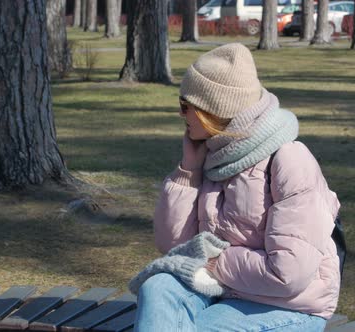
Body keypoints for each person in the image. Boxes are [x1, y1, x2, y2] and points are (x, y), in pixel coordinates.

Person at [133, 43, 341, 332]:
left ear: (213, 110)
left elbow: (288, 274)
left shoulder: (289, 160)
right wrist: (187, 172)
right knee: (158, 287)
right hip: (222, 290)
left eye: (185, 106)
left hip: (287, 304)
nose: (181, 115)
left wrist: (215, 260)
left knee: (202, 327)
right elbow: (174, 247)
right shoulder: (212, 155)